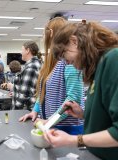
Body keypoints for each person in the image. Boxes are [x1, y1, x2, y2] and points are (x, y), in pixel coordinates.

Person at [44, 21, 118, 159]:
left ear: (74, 41)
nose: (65, 63)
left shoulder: (114, 59)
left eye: (63, 54)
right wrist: (82, 114)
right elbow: (107, 116)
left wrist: (74, 140)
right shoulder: (98, 68)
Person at [19, 17, 84, 135]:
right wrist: (35, 111)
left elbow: (72, 99)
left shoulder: (69, 62)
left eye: (44, 33)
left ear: (51, 33)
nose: (43, 37)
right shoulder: (50, 61)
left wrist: (49, 121)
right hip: (51, 125)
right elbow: (43, 91)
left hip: (68, 129)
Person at [9, 41, 41, 110]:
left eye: (22, 50)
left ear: (28, 50)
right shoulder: (34, 64)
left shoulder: (31, 67)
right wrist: (16, 92)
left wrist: (15, 110)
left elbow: (25, 93)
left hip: (25, 110)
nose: (21, 53)